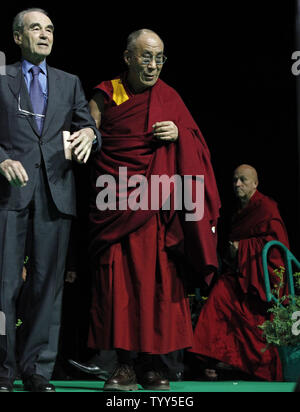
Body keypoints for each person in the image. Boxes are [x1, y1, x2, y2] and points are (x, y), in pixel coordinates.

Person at [87, 29, 221, 391]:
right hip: (116, 204)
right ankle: (123, 366)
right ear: (128, 58)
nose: (153, 65)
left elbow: (198, 144)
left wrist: (180, 134)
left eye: (159, 57)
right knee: (119, 288)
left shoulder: (170, 97)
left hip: (157, 211)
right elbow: (89, 133)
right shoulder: (107, 92)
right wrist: (84, 134)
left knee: (157, 287)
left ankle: (152, 366)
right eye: (146, 56)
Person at [0, 8, 101, 392]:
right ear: (17, 36)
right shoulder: (2, 77)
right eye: (35, 28)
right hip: (9, 195)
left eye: (50, 29)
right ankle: (2, 371)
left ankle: (37, 371)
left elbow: (85, 124)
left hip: (55, 195)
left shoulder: (69, 81)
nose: (45, 34)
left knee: (47, 288)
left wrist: (91, 135)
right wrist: (1, 160)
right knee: (5, 285)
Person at [189, 164, 290, 381]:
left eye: (243, 180)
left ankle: (254, 366)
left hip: (261, 278)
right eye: (234, 180)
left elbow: (277, 245)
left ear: (255, 183)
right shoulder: (238, 212)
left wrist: (242, 248)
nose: (237, 184)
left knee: (249, 310)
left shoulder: (266, 207)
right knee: (219, 298)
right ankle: (215, 358)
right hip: (242, 273)